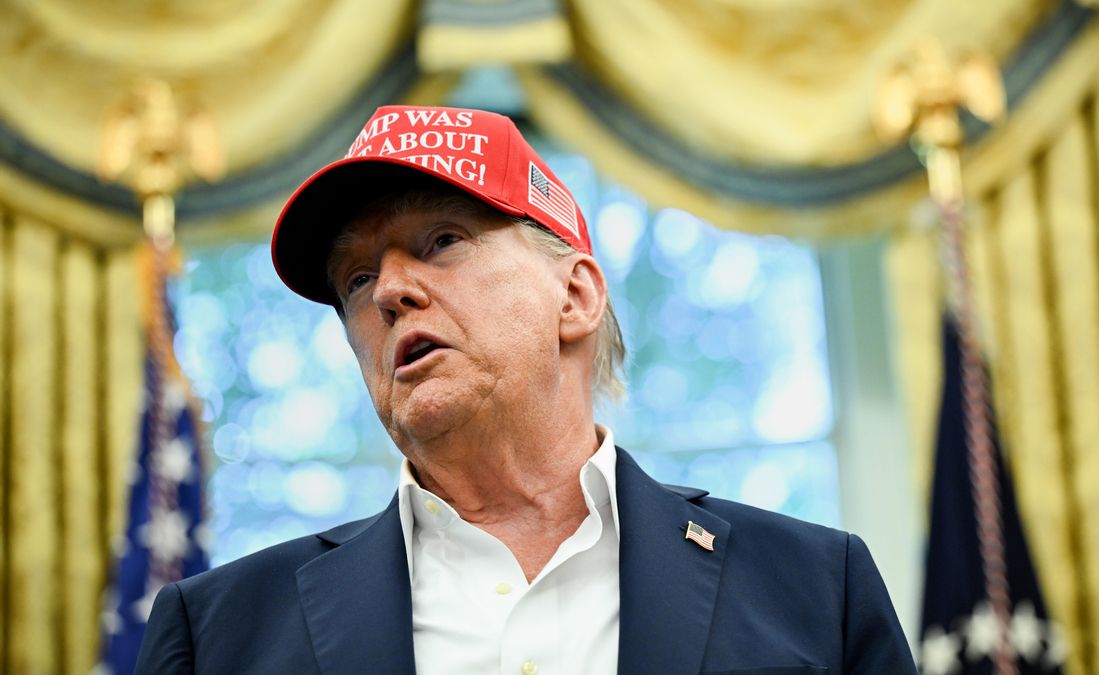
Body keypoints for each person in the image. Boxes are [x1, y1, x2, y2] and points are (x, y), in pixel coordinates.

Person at [136, 105, 917, 674]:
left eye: (440, 240)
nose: (388, 293)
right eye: (357, 278)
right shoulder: (218, 634)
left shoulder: (817, 588)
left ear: (574, 296)